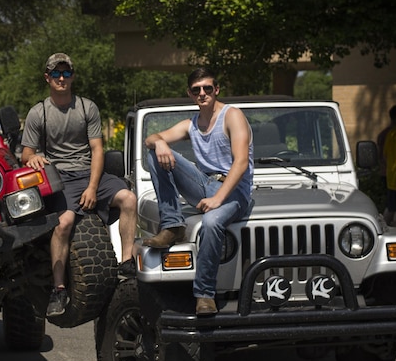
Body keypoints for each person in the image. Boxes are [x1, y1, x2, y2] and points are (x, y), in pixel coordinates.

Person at [21, 53, 137, 318]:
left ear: (73, 76)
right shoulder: (38, 113)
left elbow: (98, 150)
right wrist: (34, 157)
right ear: (47, 78)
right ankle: (59, 288)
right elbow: (25, 155)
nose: (62, 78)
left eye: (67, 73)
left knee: (129, 199)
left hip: (89, 173)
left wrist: (93, 187)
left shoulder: (87, 107)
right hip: (61, 178)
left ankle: (128, 263)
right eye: (56, 74)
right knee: (63, 224)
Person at [143, 68, 253, 316]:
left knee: (212, 222)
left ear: (216, 90)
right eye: (196, 90)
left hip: (234, 191)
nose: (202, 93)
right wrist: (160, 142)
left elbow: (241, 163)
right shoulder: (191, 124)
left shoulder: (232, 116)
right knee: (154, 152)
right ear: (190, 94)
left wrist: (218, 198)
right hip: (204, 183)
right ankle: (172, 225)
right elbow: (152, 138)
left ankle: (204, 294)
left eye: (207, 88)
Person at [376, 104, 396, 224]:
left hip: (385, 171)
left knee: (393, 202)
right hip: (391, 172)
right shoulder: (393, 134)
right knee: (393, 203)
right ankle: (387, 225)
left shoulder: (383, 133)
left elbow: (380, 155)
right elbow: (383, 155)